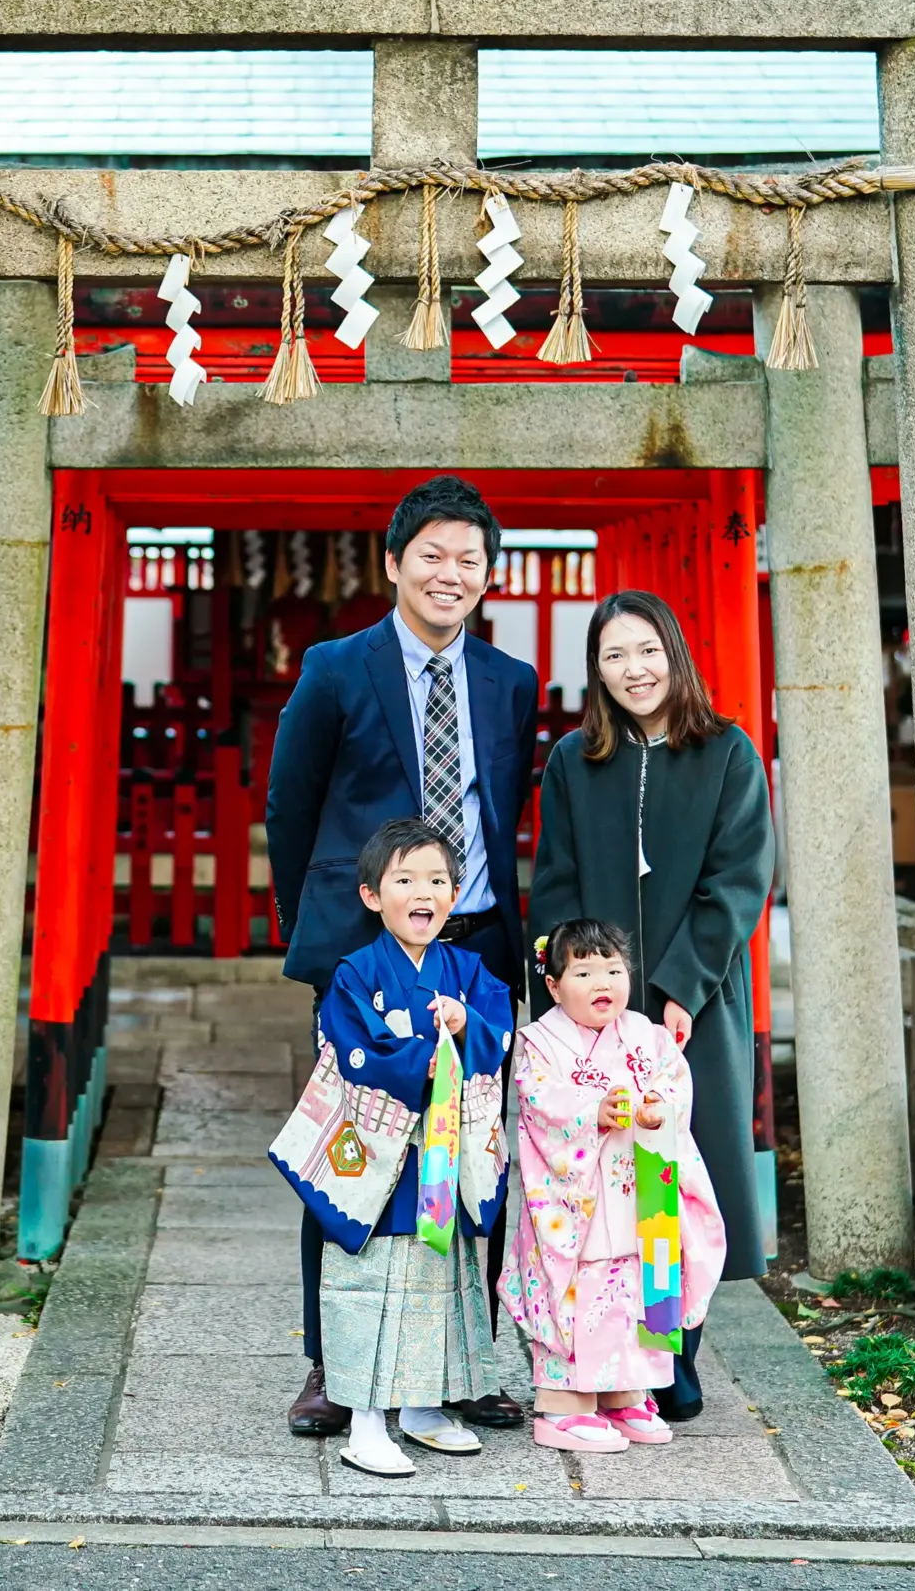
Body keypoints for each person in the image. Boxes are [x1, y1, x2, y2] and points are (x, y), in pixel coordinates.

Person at [265, 475, 540, 1437]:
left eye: (469, 558)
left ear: (485, 574)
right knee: (356, 1151)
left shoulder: (511, 684)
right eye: (432, 554)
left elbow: (500, 819)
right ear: (394, 563)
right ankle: (329, 1365)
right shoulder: (338, 667)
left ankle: (461, 1362)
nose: (449, 574)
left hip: (477, 947)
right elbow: (290, 809)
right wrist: (329, 939)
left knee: (474, 1160)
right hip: (366, 951)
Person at [527, 588, 775, 1421]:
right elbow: (555, 878)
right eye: (612, 657)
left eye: (646, 651)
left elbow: (738, 880)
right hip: (588, 1008)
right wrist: (566, 994)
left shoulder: (728, 753)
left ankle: (672, 1354)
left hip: (691, 1004)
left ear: (675, 653)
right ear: (595, 673)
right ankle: (599, 1357)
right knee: (602, 1192)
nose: (633, 670)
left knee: (672, 1179)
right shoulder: (573, 760)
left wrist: (674, 989)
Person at [271, 820, 512, 1477]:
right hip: (382, 1160)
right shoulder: (356, 971)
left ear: (457, 893)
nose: (423, 891)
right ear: (373, 896)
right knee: (370, 1285)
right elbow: (355, 1051)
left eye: (437, 879)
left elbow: (498, 1031)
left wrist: (468, 1025)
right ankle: (367, 1419)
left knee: (439, 1280)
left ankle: (424, 1405)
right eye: (405, 879)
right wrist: (428, 1058)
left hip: (440, 1163)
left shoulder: (467, 970)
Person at [501, 917, 725, 1452]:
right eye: (584, 971)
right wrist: (591, 1111)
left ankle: (624, 1394)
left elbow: (675, 1087)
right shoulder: (540, 1041)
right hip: (575, 1202)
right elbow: (538, 1102)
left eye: (613, 968)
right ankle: (563, 1405)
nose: (603, 982)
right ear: (553, 985)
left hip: (637, 1194)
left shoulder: (647, 1036)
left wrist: (658, 1110)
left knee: (635, 1287)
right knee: (578, 1293)